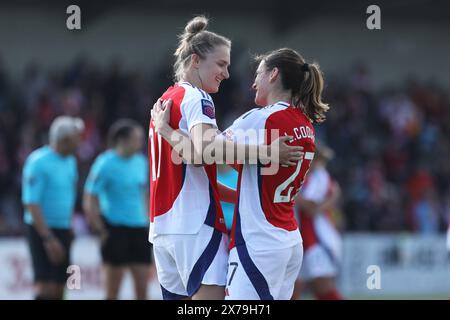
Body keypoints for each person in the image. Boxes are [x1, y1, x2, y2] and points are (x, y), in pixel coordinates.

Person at [153, 47, 329, 300]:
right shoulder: (305, 124)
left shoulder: (259, 120)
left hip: (259, 243)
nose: (253, 83)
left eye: (258, 74)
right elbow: (255, 186)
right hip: (288, 239)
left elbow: (202, 152)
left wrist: (165, 130)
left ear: (273, 75)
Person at [83, 119, 151, 300]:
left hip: (138, 229)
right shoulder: (104, 163)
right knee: (112, 292)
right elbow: (90, 197)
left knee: (143, 291)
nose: (141, 143)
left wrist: (149, 221)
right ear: (123, 140)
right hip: (115, 229)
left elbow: (145, 194)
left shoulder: (141, 162)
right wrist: (100, 228)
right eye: (137, 138)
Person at [22, 116, 84, 300]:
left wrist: (69, 225)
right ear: (65, 140)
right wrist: (48, 238)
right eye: (76, 138)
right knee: (45, 287)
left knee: (59, 287)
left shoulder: (70, 161)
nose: (80, 142)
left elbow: (68, 195)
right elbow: (31, 203)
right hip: (42, 229)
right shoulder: (38, 162)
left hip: (63, 228)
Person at [293, 142, 344, 300]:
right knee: (292, 289)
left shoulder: (320, 178)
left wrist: (289, 192)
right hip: (299, 239)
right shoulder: (302, 177)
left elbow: (310, 207)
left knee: (323, 287)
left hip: (315, 240)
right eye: (319, 159)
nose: (321, 163)